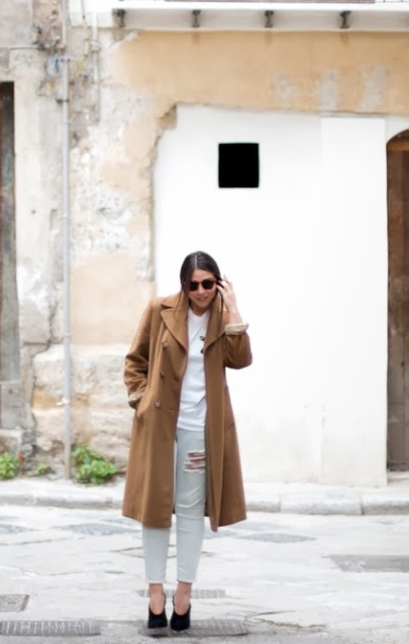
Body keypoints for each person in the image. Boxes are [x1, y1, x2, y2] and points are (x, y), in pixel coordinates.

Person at [122, 251, 252, 633]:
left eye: (208, 284)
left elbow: (241, 360)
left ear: (218, 283)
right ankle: (154, 593)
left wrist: (233, 307)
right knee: (155, 509)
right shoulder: (159, 310)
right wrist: (141, 401)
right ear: (184, 285)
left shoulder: (223, 318)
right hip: (160, 426)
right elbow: (135, 361)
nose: (201, 291)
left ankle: (183, 595)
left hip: (200, 428)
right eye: (193, 285)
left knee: (191, 511)